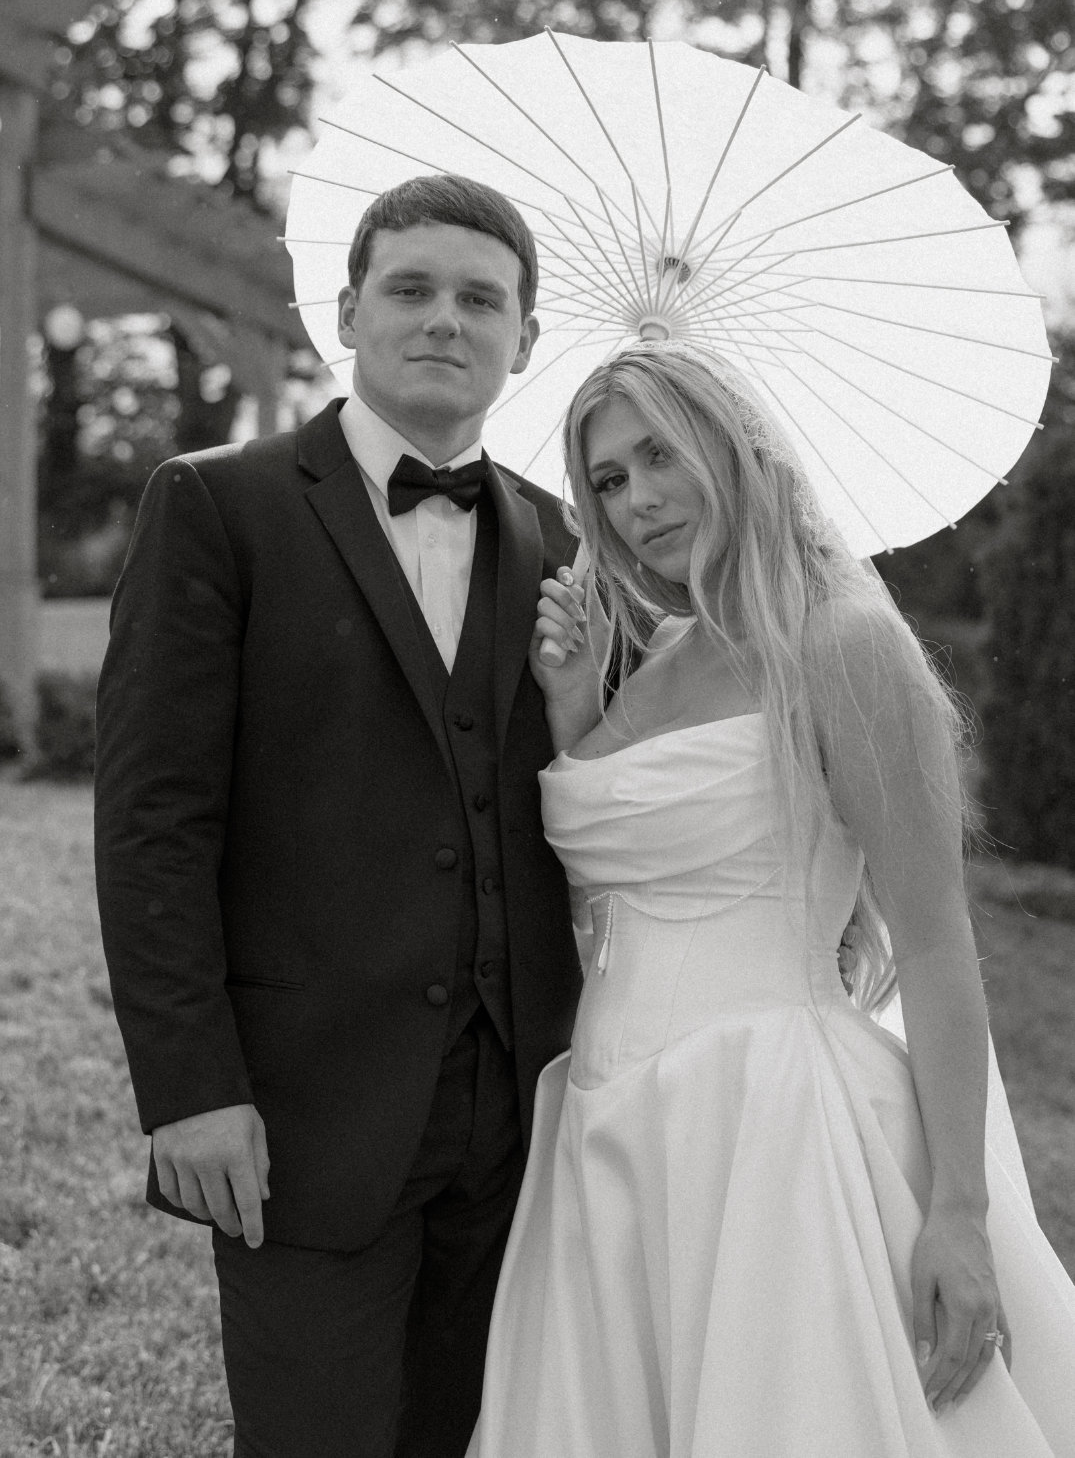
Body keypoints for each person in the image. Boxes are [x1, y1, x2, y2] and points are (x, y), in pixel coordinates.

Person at [466, 339, 1075, 1457]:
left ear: (736, 446)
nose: (638, 499)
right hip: (610, 1124)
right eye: (607, 478)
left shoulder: (840, 646)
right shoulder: (655, 657)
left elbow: (937, 948)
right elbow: (618, 890)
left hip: (777, 1123)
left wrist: (958, 1212)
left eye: (660, 453)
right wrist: (569, 711)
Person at [94, 173, 583, 1458]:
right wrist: (189, 1090)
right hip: (303, 1115)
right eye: (411, 288)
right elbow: (154, 819)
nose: (444, 319)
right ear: (346, 312)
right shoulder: (218, 505)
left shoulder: (563, 540)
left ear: (524, 340)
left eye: (482, 300)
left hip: (525, 1121)